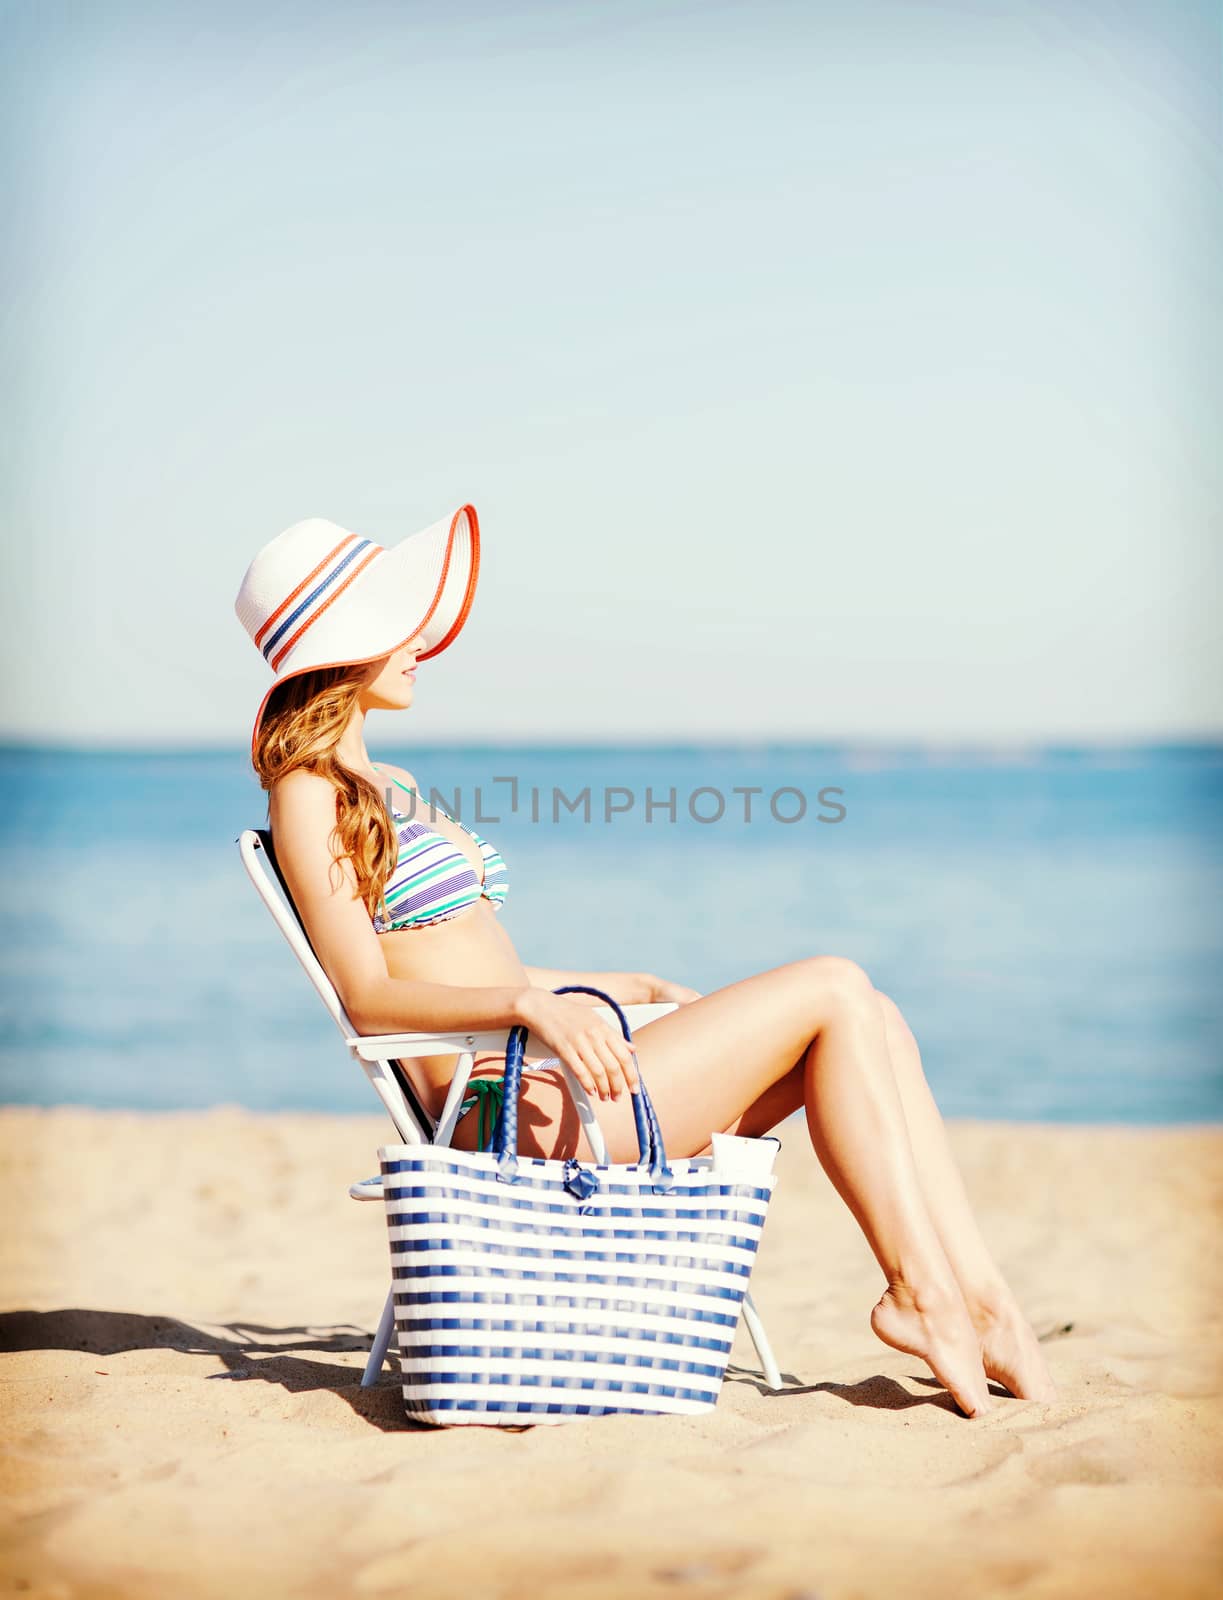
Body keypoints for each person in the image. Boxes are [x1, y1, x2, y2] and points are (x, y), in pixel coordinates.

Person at [235, 504, 1057, 1418]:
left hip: (549, 1082)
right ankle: (920, 1293)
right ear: (345, 647)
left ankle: (980, 1300)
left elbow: (457, 958)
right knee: (832, 984)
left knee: (876, 1017)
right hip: (504, 1114)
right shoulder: (307, 795)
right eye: (398, 625)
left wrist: (618, 987)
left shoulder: (396, 788)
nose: (421, 642)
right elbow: (370, 994)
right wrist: (530, 1009)